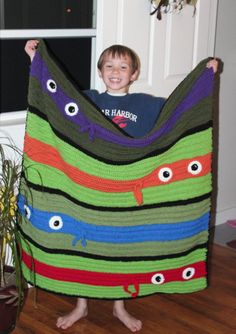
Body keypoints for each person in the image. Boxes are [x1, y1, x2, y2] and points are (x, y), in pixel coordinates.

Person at [24, 40, 218, 332]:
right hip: (88, 191)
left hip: (128, 194)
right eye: (109, 66)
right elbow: (56, 96)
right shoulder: (87, 100)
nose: (116, 72)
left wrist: (204, 77)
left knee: (120, 249)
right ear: (101, 71)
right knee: (85, 247)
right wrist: (35, 60)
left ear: (134, 73)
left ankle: (119, 307)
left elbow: (180, 112)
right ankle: (81, 304)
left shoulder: (147, 104)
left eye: (123, 67)